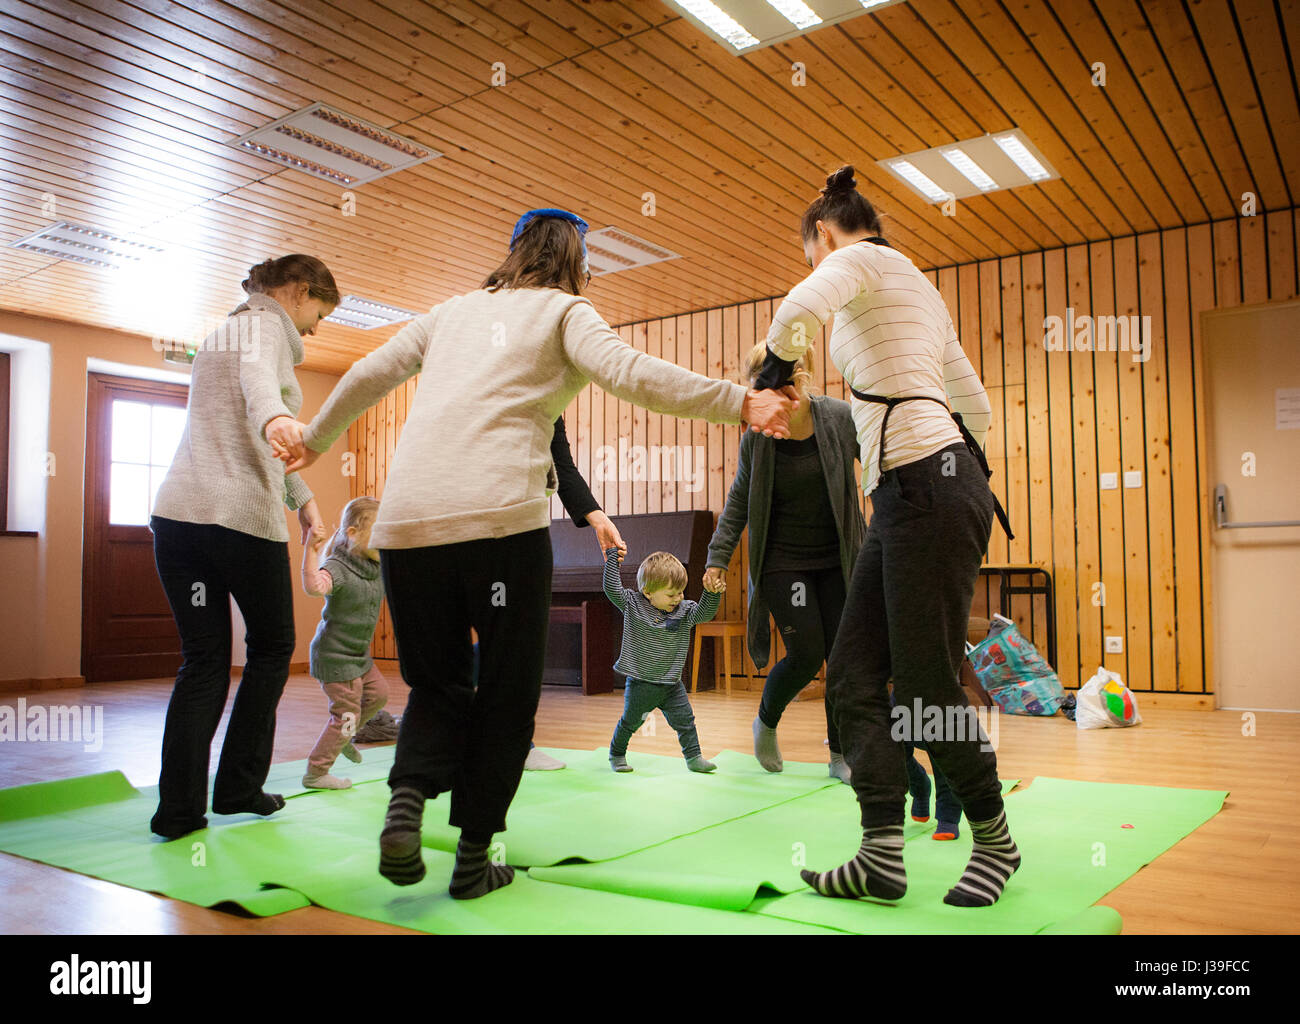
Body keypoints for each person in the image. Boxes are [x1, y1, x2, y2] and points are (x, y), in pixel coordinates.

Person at [280, 208, 794, 899]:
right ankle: (471, 858)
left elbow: (373, 371)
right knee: (506, 692)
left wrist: (315, 436)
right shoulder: (564, 313)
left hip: (407, 528)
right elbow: (632, 374)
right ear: (576, 262)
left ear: (514, 252)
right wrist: (742, 402)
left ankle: (407, 801)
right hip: (498, 529)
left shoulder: (452, 311)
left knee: (435, 685)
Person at [753, 166, 1018, 907]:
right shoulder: (921, 289)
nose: (816, 266)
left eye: (813, 251)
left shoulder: (856, 260)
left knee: (925, 684)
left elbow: (798, 309)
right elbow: (976, 402)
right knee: (855, 675)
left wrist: (775, 372)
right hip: (925, 488)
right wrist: (955, 462)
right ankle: (880, 854)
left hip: (925, 488)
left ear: (826, 235)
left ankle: (997, 841)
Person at [148, 254, 335, 840]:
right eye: (318, 314)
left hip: (178, 517)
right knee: (273, 646)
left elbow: (235, 434)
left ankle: (177, 813)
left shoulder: (218, 335)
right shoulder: (263, 330)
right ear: (300, 292)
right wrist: (280, 416)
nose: (314, 329)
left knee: (203, 660)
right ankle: (237, 788)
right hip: (237, 521)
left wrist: (302, 498)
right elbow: (259, 388)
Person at [705, 342, 866, 782]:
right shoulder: (758, 433)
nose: (784, 389)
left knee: (842, 657)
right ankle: (766, 722)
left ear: (804, 375)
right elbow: (739, 498)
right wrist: (718, 556)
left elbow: (875, 464)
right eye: (772, 382)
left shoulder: (837, 417)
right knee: (807, 652)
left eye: (791, 378)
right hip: (781, 560)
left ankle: (840, 755)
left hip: (836, 558)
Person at [603, 548, 725, 773]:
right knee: (631, 722)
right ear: (648, 592)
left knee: (685, 721)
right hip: (641, 684)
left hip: (672, 685)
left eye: (681, 592)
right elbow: (611, 588)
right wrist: (613, 559)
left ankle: (694, 757)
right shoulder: (633, 604)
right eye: (672, 594)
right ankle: (617, 753)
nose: (679, 598)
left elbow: (705, 614)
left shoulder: (685, 610)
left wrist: (712, 593)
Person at [301, 496, 390, 789]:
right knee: (346, 715)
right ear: (352, 534)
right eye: (377, 535)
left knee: (378, 694)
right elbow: (314, 587)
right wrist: (310, 552)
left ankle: (346, 738)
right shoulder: (338, 567)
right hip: (335, 656)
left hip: (358, 656)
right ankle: (316, 772)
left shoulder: (373, 565)